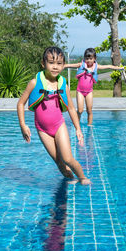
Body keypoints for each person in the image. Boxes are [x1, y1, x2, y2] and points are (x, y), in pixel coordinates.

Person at [17, 47, 91, 185]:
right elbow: (20, 104)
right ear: (43, 63)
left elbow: (70, 108)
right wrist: (23, 125)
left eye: (59, 63)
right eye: (51, 63)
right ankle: (71, 180)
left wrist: (78, 129)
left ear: (63, 65)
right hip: (42, 129)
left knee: (67, 158)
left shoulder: (63, 85)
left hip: (58, 126)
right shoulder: (34, 83)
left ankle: (83, 178)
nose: (55, 67)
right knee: (59, 162)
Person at [64, 48, 124, 126]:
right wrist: (62, 66)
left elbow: (108, 66)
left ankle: (89, 125)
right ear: (84, 58)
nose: (88, 60)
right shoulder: (81, 65)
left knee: (89, 110)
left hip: (89, 92)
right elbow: (69, 65)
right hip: (80, 91)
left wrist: (118, 68)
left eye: (91, 58)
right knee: (80, 110)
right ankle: (76, 124)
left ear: (94, 58)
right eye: (87, 58)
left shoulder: (96, 66)